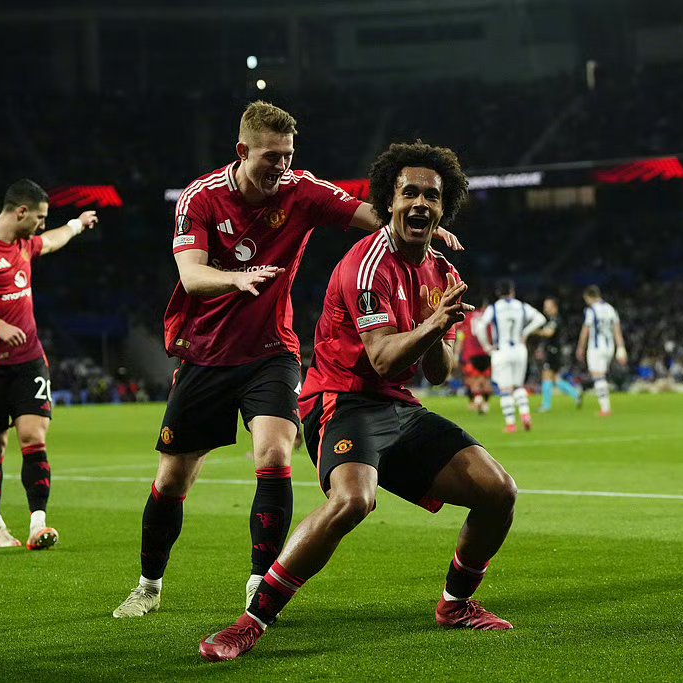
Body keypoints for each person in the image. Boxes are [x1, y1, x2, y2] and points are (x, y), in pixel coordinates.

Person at [112, 103, 463, 618]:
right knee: (172, 480)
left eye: (288, 156)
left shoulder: (302, 189)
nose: (280, 167)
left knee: (274, 455)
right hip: (206, 355)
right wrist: (234, 278)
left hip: (272, 353)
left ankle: (260, 581)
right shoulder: (200, 199)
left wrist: (420, 228)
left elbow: (373, 215)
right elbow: (190, 276)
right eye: (270, 157)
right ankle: (149, 583)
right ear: (242, 151)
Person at [199, 141, 518, 663]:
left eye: (431, 197)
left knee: (499, 492)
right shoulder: (368, 264)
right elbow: (383, 359)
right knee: (353, 500)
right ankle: (250, 622)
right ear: (388, 201)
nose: (419, 203)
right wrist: (433, 323)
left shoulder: (442, 273)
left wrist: (443, 329)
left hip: (398, 407)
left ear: (444, 208)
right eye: (408, 192)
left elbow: (437, 374)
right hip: (340, 400)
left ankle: (456, 605)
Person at [0, 178, 98, 550]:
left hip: (28, 359)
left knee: (33, 436)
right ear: (21, 212)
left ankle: (38, 525)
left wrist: (78, 224)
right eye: (40, 217)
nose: (42, 224)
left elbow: (54, 239)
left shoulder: (24, 246)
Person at [474, 281, 546, 432]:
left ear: (498, 293)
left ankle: (511, 424)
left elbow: (480, 327)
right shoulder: (521, 306)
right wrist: (525, 332)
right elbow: (541, 319)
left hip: (502, 350)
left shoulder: (493, 308)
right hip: (519, 349)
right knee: (518, 386)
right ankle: (525, 415)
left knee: (505, 389)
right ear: (512, 292)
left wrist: (487, 346)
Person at [575, 285, 627, 416]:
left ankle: (605, 409)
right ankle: (605, 407)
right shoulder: (611, 309)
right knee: (601, 376)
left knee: (598, 376)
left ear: (590, 297)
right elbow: (617, 331)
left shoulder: (591, 310)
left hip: (596, 347)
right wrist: (621, 348)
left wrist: (580, 347)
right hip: (609, 347)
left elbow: (585, 331)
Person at [537, 297, 582, 412]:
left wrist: (533, 331)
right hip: (553, 351)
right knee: (555, 379)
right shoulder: (552, 319)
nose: (545, 309)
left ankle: (546, 405)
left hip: (553, 352)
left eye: (548, 306)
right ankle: (575, 393)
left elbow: (549, 333)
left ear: (555, 307)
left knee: (546, 377)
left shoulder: (555, 320)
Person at [453, 300, 492, 414]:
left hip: (471, 353)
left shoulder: (467, 318)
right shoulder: (487, 317)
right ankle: (485, 403)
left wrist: (456, 355)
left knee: (472, 380)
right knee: (485, 380)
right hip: (486, 352)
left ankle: (477, 400)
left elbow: (460, 337)